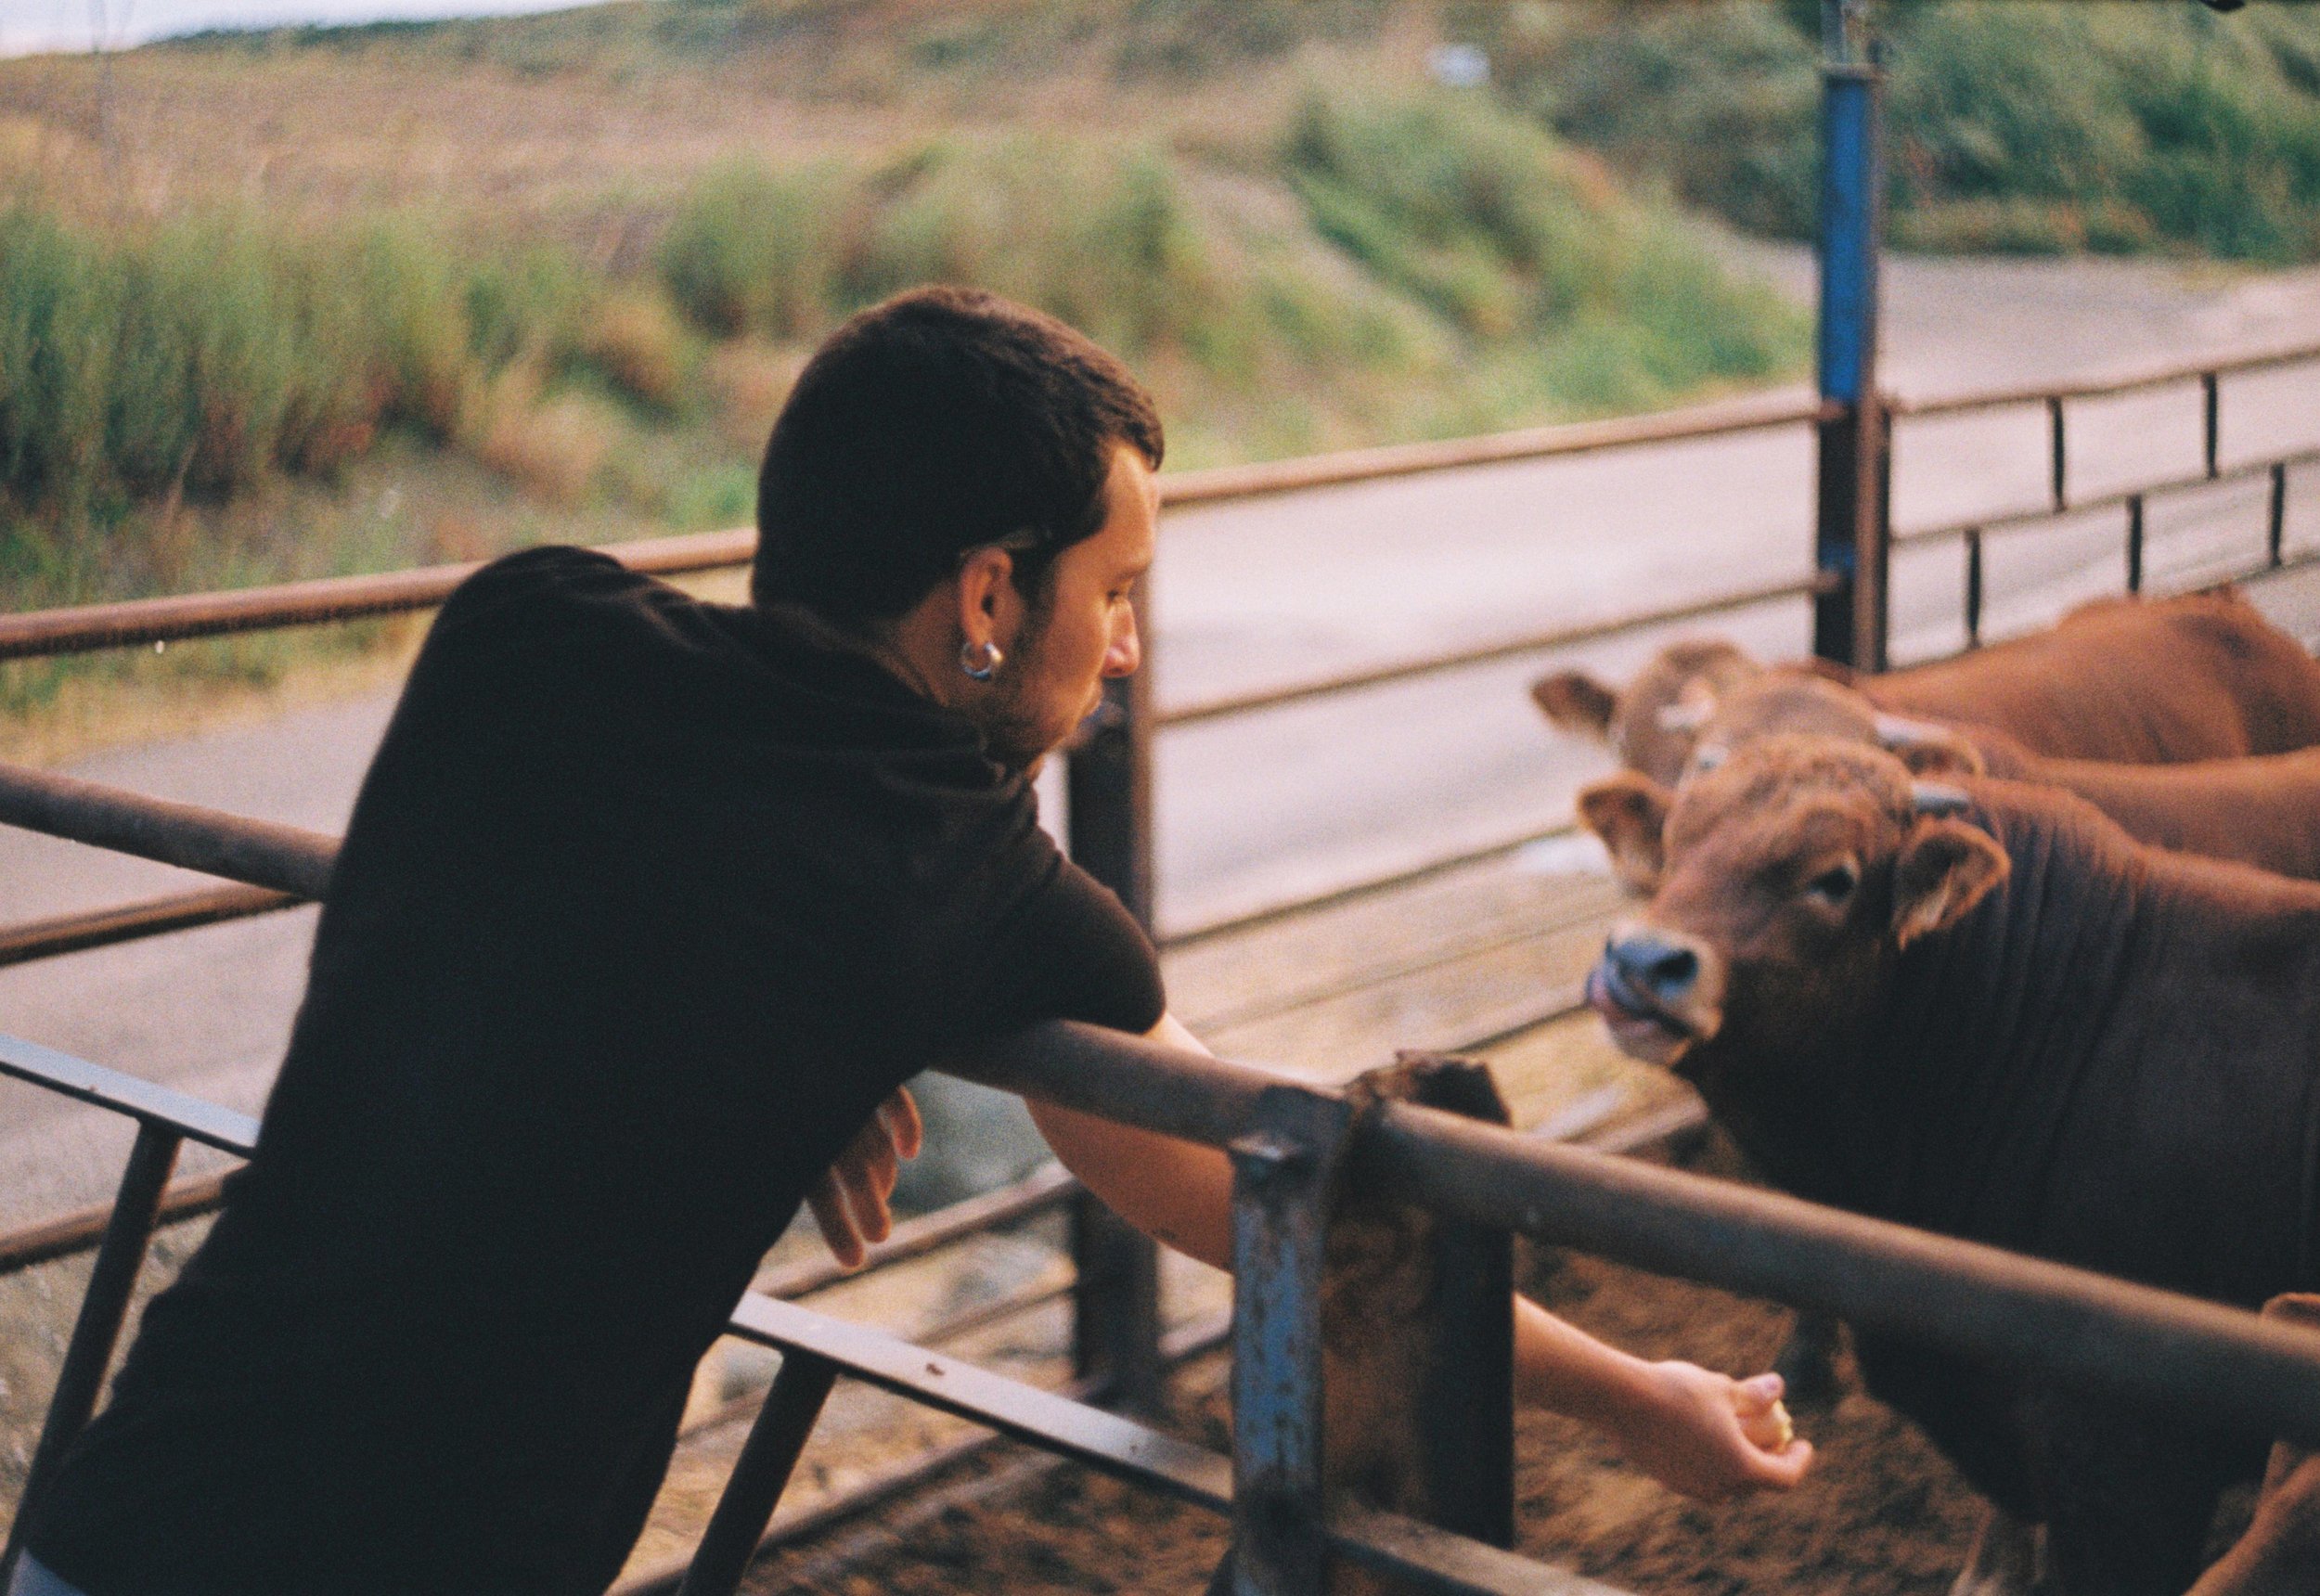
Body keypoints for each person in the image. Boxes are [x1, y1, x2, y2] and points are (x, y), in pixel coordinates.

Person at [12, 287, 1807, 1596]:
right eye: (1114, 602)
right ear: (987, 596)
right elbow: (1267, 1191)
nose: (1123, 657)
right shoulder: (947, 884)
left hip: (123, 1506)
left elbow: (612, 914)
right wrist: (1639, 1398)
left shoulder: (520, 632)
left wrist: (794, 1057)